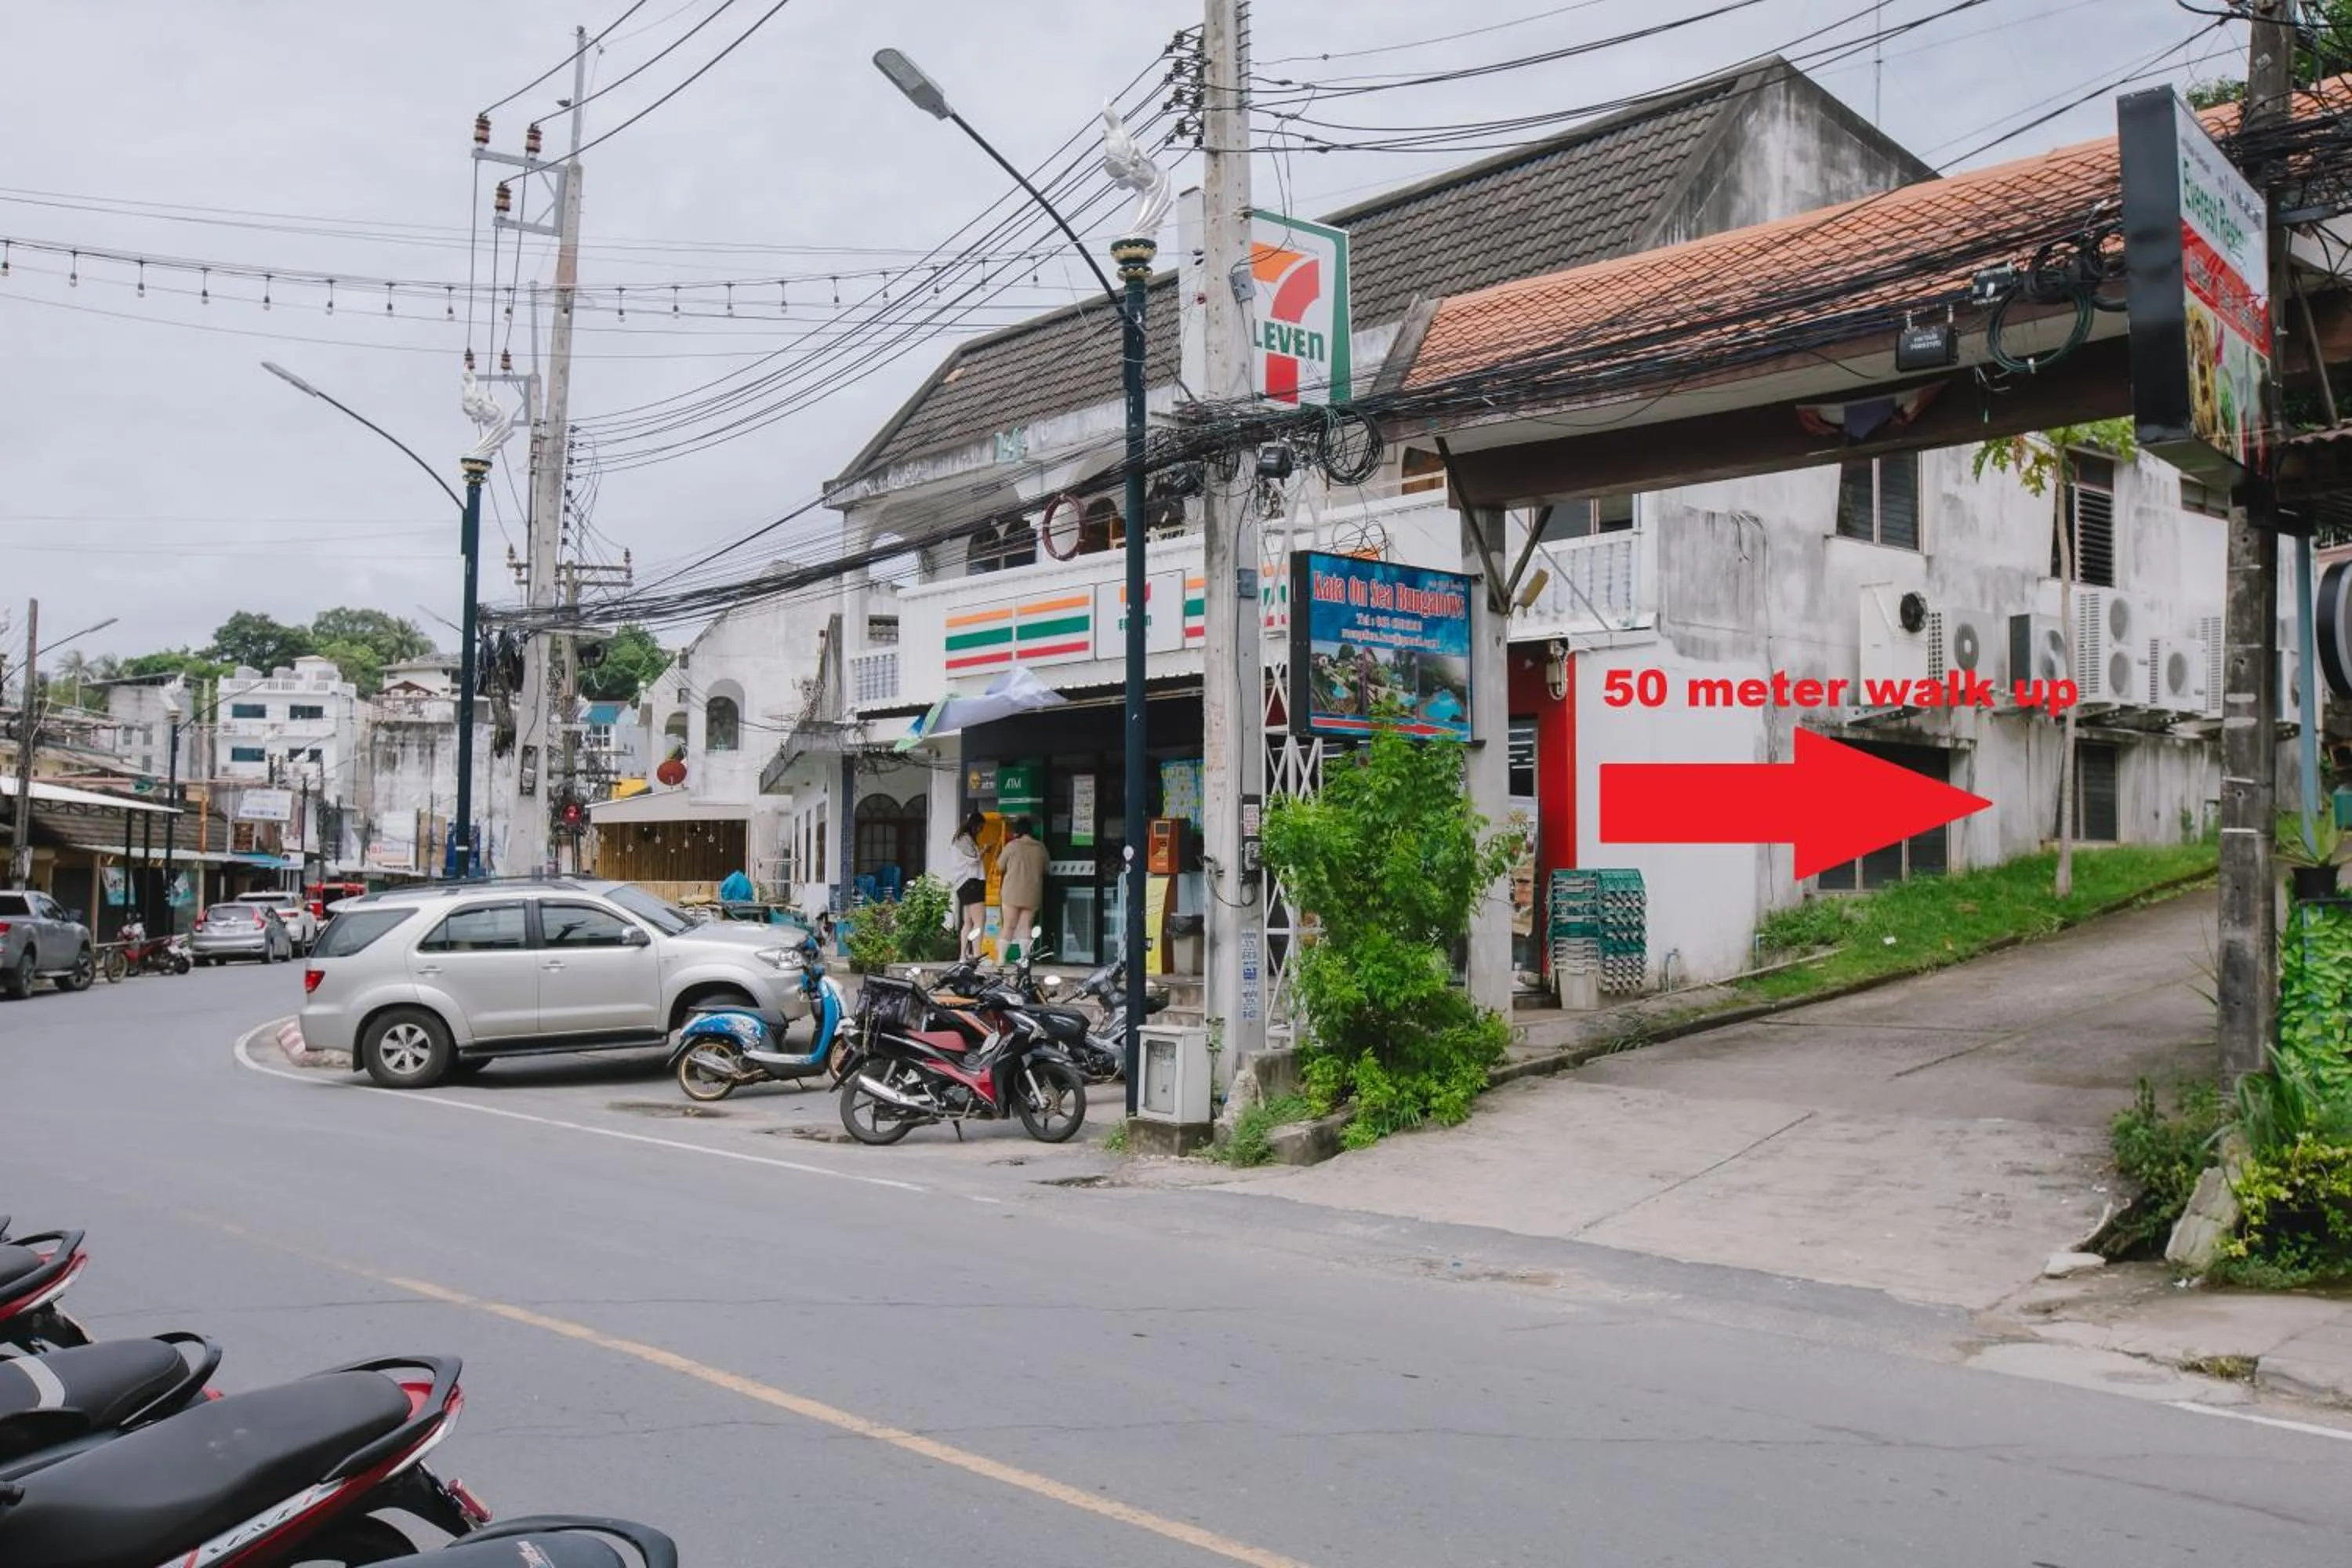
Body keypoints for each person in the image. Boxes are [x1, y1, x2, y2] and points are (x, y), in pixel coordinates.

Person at [996, 815, 1048, 964]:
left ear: (1017, 831)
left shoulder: (1012, 846)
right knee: (1026, 926)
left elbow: (999, 866)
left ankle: (1001, 960)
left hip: (1012, 892)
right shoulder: (1040, 847)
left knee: (1009, 926)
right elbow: (1046, 869)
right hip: (1032, 892)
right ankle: (1024, 959)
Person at [945, 810, 988, 960]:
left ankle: (963, 956)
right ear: (975, 825)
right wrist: (984, 851)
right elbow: (973, 860)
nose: (981, 831)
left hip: (963, 885)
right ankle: (977, 955)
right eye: (981, 827)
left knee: (968, 922)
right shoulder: (965, 839)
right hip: (971, 883)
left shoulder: (959, 838)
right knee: (980, 920)